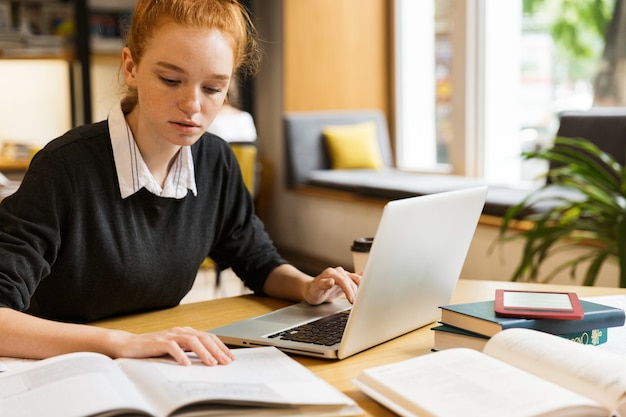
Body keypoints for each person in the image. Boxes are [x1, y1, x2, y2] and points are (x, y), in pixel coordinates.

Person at [0, 0, 359, 367]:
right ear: (131, 67)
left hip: (157, 360)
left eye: (213, 88)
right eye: (171, 80)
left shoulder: (215, 161)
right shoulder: (64, 167)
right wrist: (121, 343)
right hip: (60, 364)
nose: (192, 104)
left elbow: (257, 260)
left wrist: (306, 286)